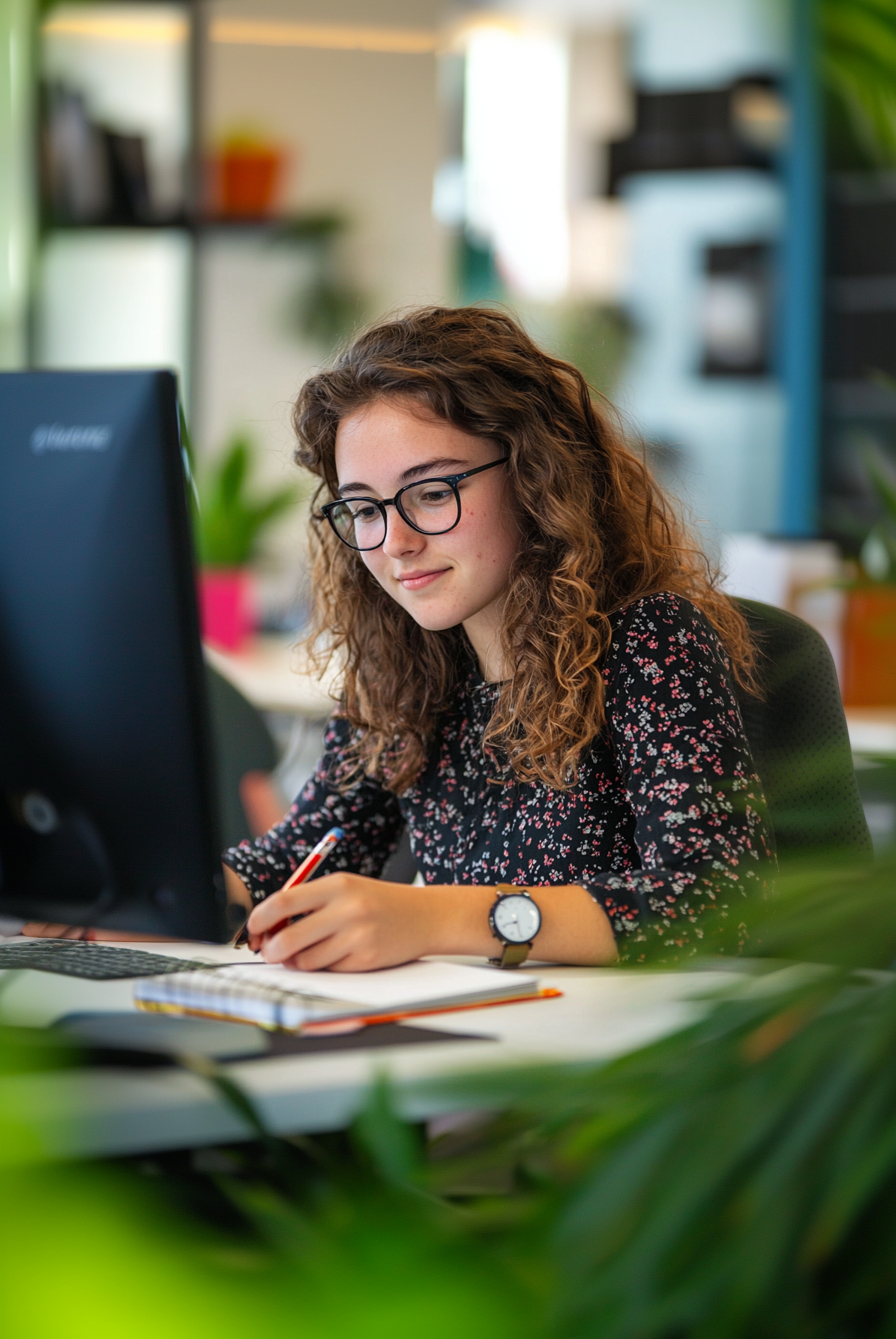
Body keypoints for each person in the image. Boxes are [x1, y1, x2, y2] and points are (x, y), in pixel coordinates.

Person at [223, 305, 774, 972]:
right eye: (365, 509)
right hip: (489, 1034)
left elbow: (715, 899)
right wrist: (145, 896)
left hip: (633, 1050)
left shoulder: (647, 642)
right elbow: (308, 854)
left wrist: (433, 917)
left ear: (534, 474)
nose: (395, 542)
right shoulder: (404, 669)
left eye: (429, 492)